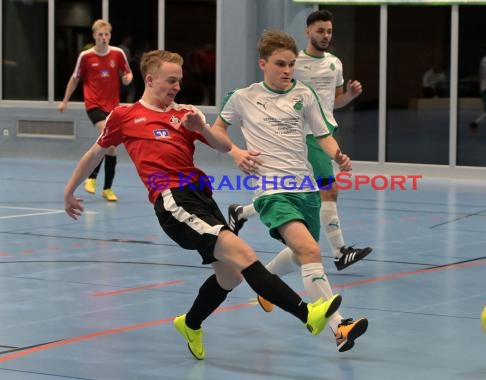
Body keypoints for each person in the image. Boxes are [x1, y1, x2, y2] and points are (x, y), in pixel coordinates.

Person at [63, 50, 341, 360]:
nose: (177, 87)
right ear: (151, 79)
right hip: (172, 200)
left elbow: (224, 146)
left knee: (231, 276)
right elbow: (95, 153)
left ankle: (190, 323)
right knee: (244, 253)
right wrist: (69, 191)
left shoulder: (185, 112)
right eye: (171, 81)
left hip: (202, 197)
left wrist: (201, 127)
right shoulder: (125, 116)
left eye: (180, 81)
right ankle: (308, 315)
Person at [214, 29, 368, 353]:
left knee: (303, 255)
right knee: (311, 251)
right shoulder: (242, 97)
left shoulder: (305, 95)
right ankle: (339, 326)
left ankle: (266, 283)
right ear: (263, 64)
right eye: (280, 64)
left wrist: (337, 155)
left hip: (305, 187)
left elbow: (323, 134)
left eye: (291, 65)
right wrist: (236, 153)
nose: (287, 71)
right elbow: (216, 131)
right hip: (271, 191)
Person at [228, 10, 372, 272]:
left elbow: (333, 101)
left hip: (324, 129)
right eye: (320, 30)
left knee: (298, 190)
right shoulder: (294, 61)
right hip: (301, 135)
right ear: (307, 32)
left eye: (329, 31)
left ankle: (243, 212)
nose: (325, 35)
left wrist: (349, 96)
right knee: (327, 190)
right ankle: (340, 251)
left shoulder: (335, 64)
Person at [58, 19, 133, 202]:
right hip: (93, 105)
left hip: (112, 107)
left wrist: (127, 79)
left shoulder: (118, 53)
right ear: (94, 36)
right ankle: (91, 178)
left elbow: (128, 73)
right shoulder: (86, 56)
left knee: (111, 147)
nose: (104, 38)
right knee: (105, 137)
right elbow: (75, 78)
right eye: (100, 35)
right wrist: (65, 101)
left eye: (106, 34)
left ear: (110, 36)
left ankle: (107, 188)